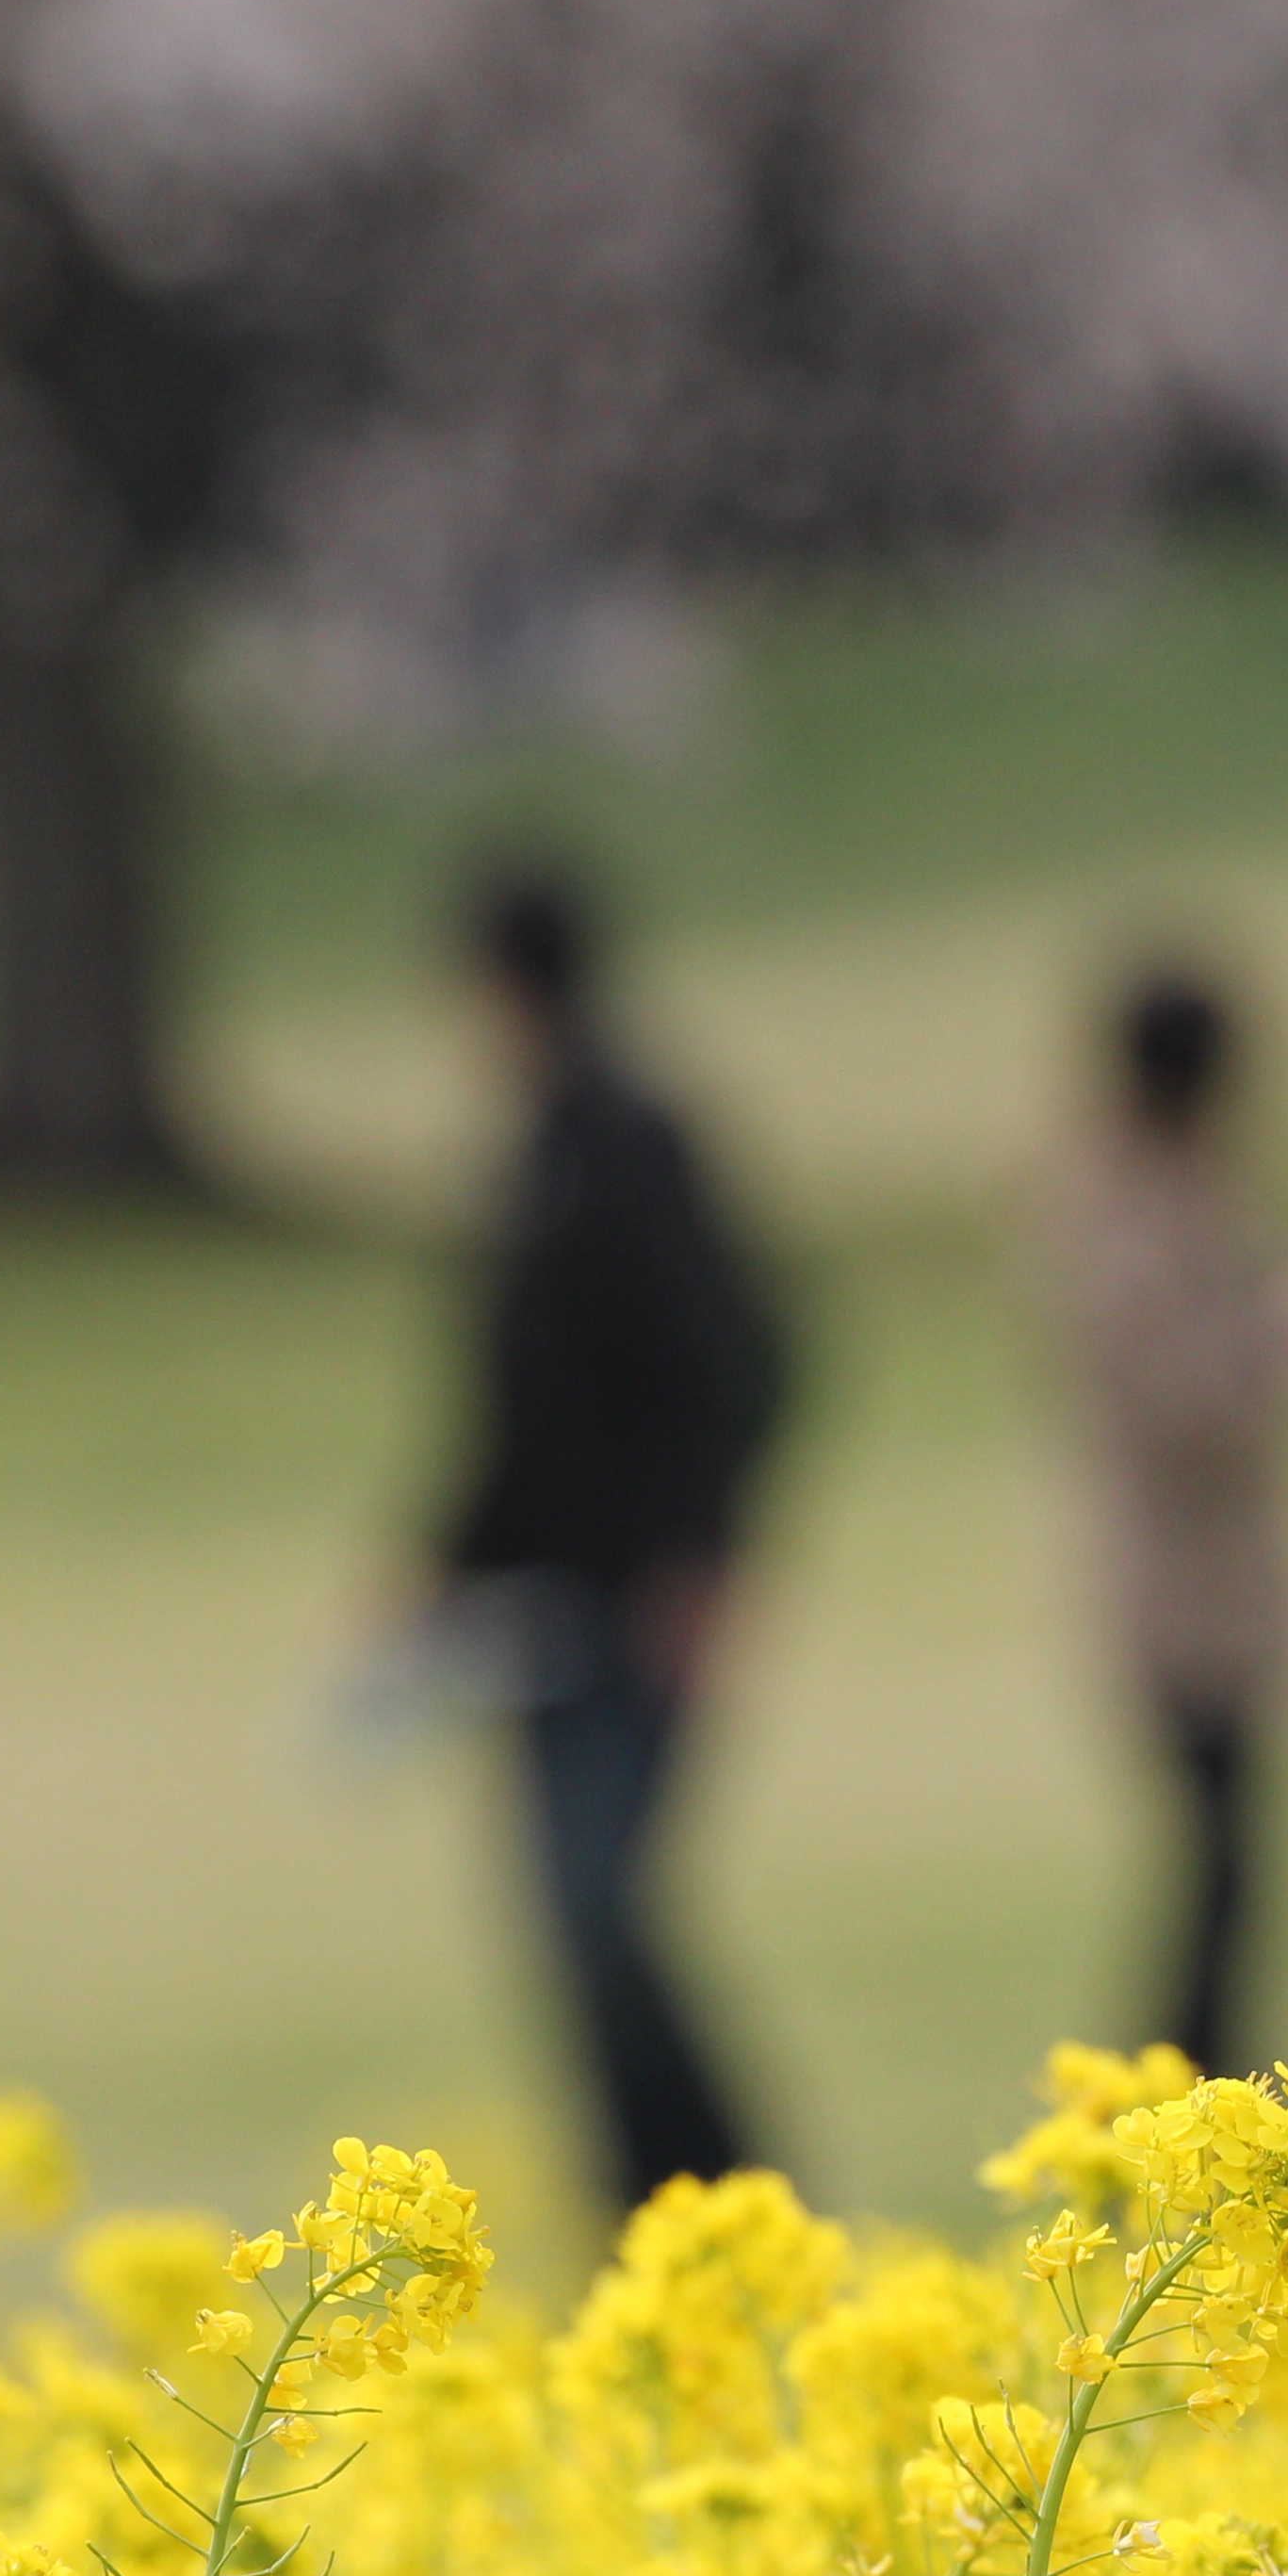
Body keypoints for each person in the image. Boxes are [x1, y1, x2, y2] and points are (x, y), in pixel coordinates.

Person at [420, 858, 798, 2207]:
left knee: (604, 1905)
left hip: (633, 1603)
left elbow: (733, 1361)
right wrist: (440, 1559)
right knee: (571, 1924)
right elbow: (518, 1410)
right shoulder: (539, 1152)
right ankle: (646, 2203)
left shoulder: (630, 1144)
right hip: (536, 1611)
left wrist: (703, 1557)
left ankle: (728, 2189)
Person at [1041, 956, 1288, 2080]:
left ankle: (1189, 2103)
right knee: (1221, 1878)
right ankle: (1180, 2109)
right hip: (1183, 1596)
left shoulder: (1154, 1191)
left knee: (1229, 1876)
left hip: (1204, 1587)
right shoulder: (1126, 1212)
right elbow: (1188, 1401)